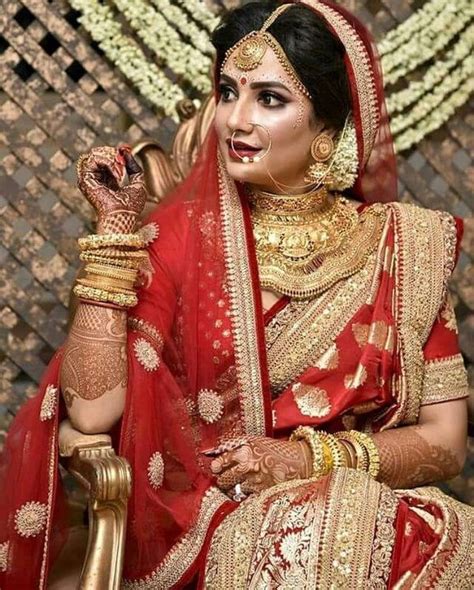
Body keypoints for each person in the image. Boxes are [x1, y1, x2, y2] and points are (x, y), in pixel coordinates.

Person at [0, 1, 473, 588]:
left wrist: (309, 461)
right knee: (324, 533)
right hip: (219, 517)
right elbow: (93, 412)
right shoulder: (179, 238)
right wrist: (115, 237)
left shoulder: (407, 248)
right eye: (228, 92)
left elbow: (447, 443)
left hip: (374, 508)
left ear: (329, 128)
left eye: (269, 99)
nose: (234, 121)